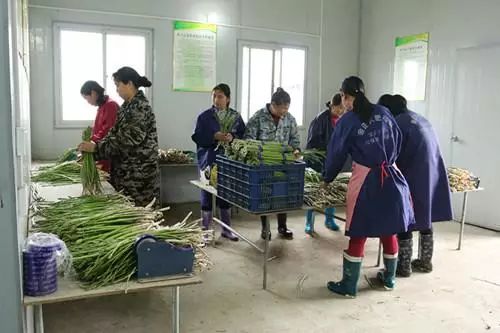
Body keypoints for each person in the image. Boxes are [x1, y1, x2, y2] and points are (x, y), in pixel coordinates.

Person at [323, 76, 415, 297]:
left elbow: (336, 153)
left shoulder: (349, 120)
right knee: (388, 228)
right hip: (392, 175)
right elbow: (398, 139)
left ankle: (349, 285)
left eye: (343, 97)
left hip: (366, 179)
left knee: (359, 230)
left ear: (345, 97)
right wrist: (389, 159)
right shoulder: (384, 112)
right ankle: (389, 279)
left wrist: (327, 177)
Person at [378, 94, 452, 277]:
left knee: (405, 220)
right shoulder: (419, 118)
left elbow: (390, 155)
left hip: (413, 174)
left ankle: (403, 267)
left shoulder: (398, 124)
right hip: (432, 173)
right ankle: (425, 262)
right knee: (425, 216)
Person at [78, 67, 160, 207]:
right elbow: (113, 135)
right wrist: (93, 152)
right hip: (126, 173)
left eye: (118, 85)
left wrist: (96, 148)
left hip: (139, 175)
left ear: (129, 84)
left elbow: (126, 141)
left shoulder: (139, 107)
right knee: (129, 212)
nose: (116, 90)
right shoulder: (127, 106)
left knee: (141, 216)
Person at [245, 87, 300, 240]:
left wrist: (295, 150)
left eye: (287, 108)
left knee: (282, 195)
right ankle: (265, 229)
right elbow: (248, 139)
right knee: (265, 196)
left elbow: (295, 139)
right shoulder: (258, 117)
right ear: (273, 105)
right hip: (265, 166)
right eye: (282, 108)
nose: (284, 112)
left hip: (284, 165)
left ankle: (282, 227)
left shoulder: (289, 119)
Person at [191, 83, 245, 241]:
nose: (216, 99)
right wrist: (214, 136)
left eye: (220, 96)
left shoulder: (235, 117)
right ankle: (206, 230)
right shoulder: (205, 117)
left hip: (227, 161)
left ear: (228, 99)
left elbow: (243, 135)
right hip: (208, 159)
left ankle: (226, 230)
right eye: (214, 95)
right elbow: (198, 137)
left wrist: (231, 138)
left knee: (225, 194)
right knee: (206, 193)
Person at [304, 93, 346, 235]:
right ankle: (309, 222)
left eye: (343, 108)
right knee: (316, 190)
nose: (341, 110)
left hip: (333, 160)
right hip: (319, 159)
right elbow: (313, 141)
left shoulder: (343, 119)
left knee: (331, 188)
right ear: (332, 105)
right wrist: (327, 151)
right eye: (339, 108)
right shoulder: (321, 119)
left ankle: (330, 220)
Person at [80, 81, 119, 173]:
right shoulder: (103, 106)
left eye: (86, 98)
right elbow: (100, 128)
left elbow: (108, 132)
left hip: (108, 152)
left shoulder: (110, 105)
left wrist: (91, 141)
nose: (88, 102)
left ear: (93, 93)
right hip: (101, 150)